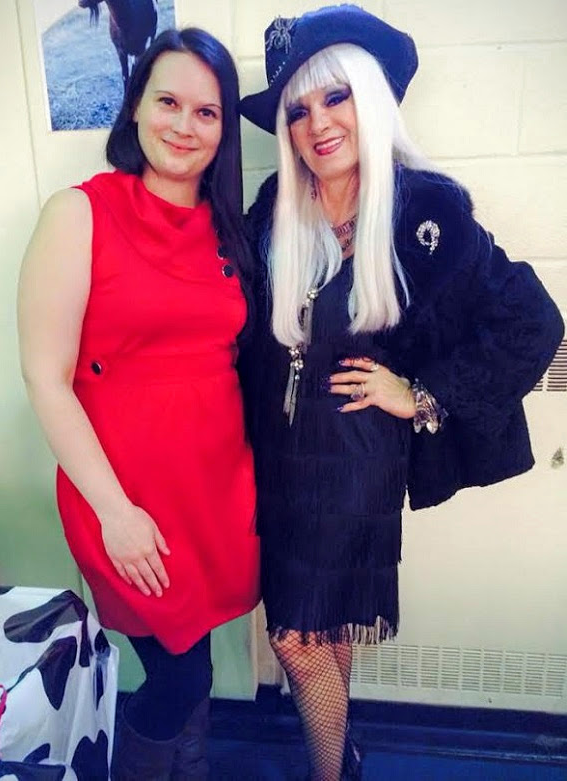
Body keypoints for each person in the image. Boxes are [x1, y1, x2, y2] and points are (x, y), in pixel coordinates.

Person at [239, 5, 564, 780]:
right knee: (322, 630)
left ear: (371, 98)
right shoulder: (275, 209)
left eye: (336, 97)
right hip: (278, 462)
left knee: (295, 641)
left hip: (356, 463)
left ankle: (330, 773)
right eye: (297, 110)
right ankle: (342, 750)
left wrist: (420, 393)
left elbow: (534, 322)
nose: (318, 123)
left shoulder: (425, 212)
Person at [18, 28, 260, 780]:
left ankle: (190, 768)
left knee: (196, 661)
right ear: (136, 107)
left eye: (206, 112)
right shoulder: (79, 214)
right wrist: (115, 513)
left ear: (223, 130)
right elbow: (46, 376)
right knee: (179, 675)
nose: (184, 126)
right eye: (168, 102)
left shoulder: (230, 230)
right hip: (124, 498)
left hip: (216, 493)